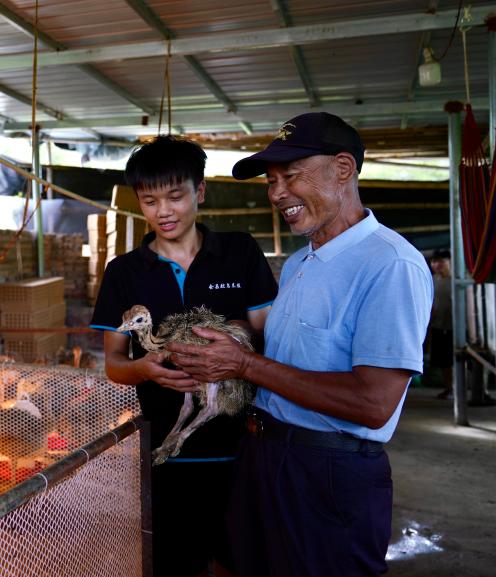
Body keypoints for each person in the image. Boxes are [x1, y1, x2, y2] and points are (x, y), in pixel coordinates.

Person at [166, 112, 433, 577]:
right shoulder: (298, 263)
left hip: (327, 472)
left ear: (343, 169)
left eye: (289, 176)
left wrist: (244, 365)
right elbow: (286, 357)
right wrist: (227, 342)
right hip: (264, 454)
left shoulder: (389, 264)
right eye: (271, 182)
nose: (276, 194)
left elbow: (374, 403)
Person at [89, 136, 278, 577]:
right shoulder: (125, 273)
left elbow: (270, 337)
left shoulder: (239, 252)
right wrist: (143, 368)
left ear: (201, 191)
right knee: (175, 561)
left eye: (175, 196)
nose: (163, 211)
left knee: (243, 558)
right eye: (150, 200)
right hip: (166, 456)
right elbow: (115, 362)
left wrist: (236, 357)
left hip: (244, 444)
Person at [428, 249, 453, 399]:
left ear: (450, 262)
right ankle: (449, 388)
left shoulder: (457, 280)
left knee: (456, 360)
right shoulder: (431, 280)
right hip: (438, 326)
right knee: (444, 362)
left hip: (455, 327)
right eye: (434, 261)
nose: (437, 265)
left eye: (441, 261)